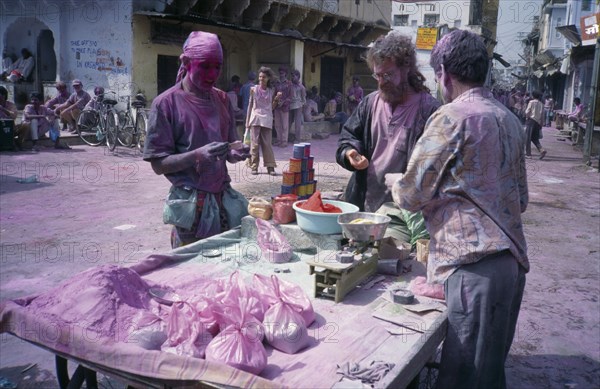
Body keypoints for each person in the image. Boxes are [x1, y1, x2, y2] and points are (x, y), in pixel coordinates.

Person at [389, 29, 528, 389]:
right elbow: (521, 199)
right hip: (510, 267)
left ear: (444, 74)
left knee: (462, 378)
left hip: (473, 269)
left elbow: (410, 193)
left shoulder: (452, 117)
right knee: (488, 373)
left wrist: (394, 182)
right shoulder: (510, 119)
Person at [143, 31, 250, 249]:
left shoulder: (221, 99)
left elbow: (230, 146)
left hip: (222, 204)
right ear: (186, 62)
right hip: (190, 209)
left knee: (223, 267)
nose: (212, 74)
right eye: (205, 66)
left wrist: (236, 153)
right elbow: (158, 164)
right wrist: (196, 156)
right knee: (191, 270)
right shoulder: (166, 104)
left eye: (218, 66)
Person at [335, 31, 441, 214]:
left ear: (406, 69)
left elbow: (435, 169)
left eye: (389, 75)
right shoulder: (369, 103)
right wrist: (349, 153)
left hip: (404, 214)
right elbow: (348, 136)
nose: (382, 82)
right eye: (378, 76)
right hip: (364, 204)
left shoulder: (430, 111)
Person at [245, 66, 279, 176]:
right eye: (260, 77)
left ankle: (270, 167)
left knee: (267, 144)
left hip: (267, 119)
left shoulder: (271, 91)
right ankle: (254, 166)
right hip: (255, 119)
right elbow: (250, 106)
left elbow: (271, 107)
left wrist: (277, 99)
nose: (261, 79)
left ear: (268, 78)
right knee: (254, 144)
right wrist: (247, 122)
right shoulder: (253, 89)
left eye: (263, 77)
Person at [525, 90, 547, 159]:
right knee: (534, 138)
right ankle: (541, 149)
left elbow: (527, 112)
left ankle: (528, 154)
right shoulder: (541, 104)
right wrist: (541, 124)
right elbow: (543, 116)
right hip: (537, 122)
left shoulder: (531, 102)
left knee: (527, 138)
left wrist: (526, 117)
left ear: (533, 96)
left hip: (531, 121)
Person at [273, 66, 292, 147]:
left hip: (285, 107)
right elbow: (274, 94)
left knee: (284, 125)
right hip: (277, 106)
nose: (281, 74)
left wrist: (284, 102)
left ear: (286, 74)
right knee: (277, 124)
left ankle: (284, 141)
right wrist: (276, 101)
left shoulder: (289, 84)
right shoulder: (276, 83)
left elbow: (291, 96)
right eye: (280, 72)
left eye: (283, 73)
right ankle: (278, 140)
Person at [289, 69, 306, 143]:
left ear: (298, 77)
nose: (292, 78)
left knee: (297, 123)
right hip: (290, 105)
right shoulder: (290, 85)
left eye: (294, 76)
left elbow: (303, 99)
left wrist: (301, 106)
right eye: (292, 76)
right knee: (288, 122)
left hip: (298, 106)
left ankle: (297, 139)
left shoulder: (301, 87)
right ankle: (286, 137)